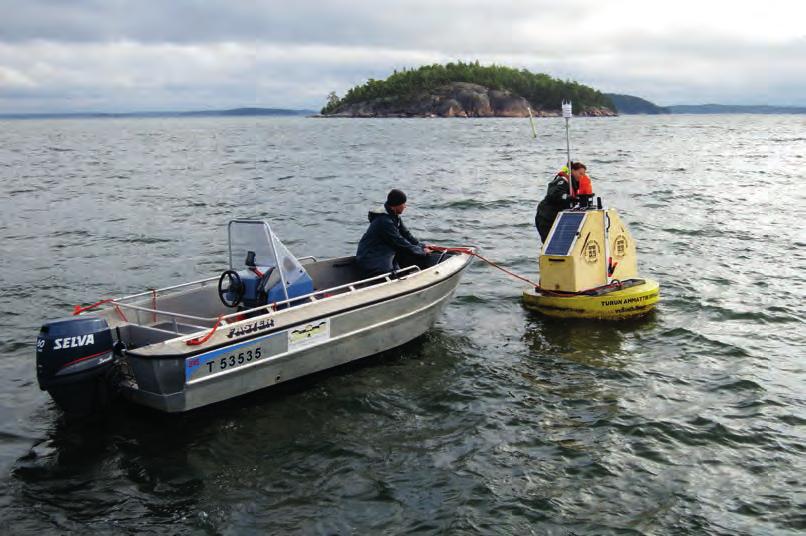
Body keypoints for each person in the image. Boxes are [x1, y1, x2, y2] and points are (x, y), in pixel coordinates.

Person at [356, 189, 434, 277]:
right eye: (403, 204)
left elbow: (406, 234)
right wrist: (421, 252)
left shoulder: (394, 216)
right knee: (392, 271)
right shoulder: (384, 221)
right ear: (395, 206)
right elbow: (399, 241)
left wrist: (421, 246)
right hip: (371, 257)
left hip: (383, 252)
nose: (405, 206)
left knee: (408, 257)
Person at [534, 162, 594, 242]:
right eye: (580, 173)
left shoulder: (575, 185)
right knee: (549, 241)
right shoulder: (563, 181)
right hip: (546, 216)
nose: (581, 176)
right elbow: (553, 194)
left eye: (583, 174)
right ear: (573, 171)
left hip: (559, 217)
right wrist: (569, 197)